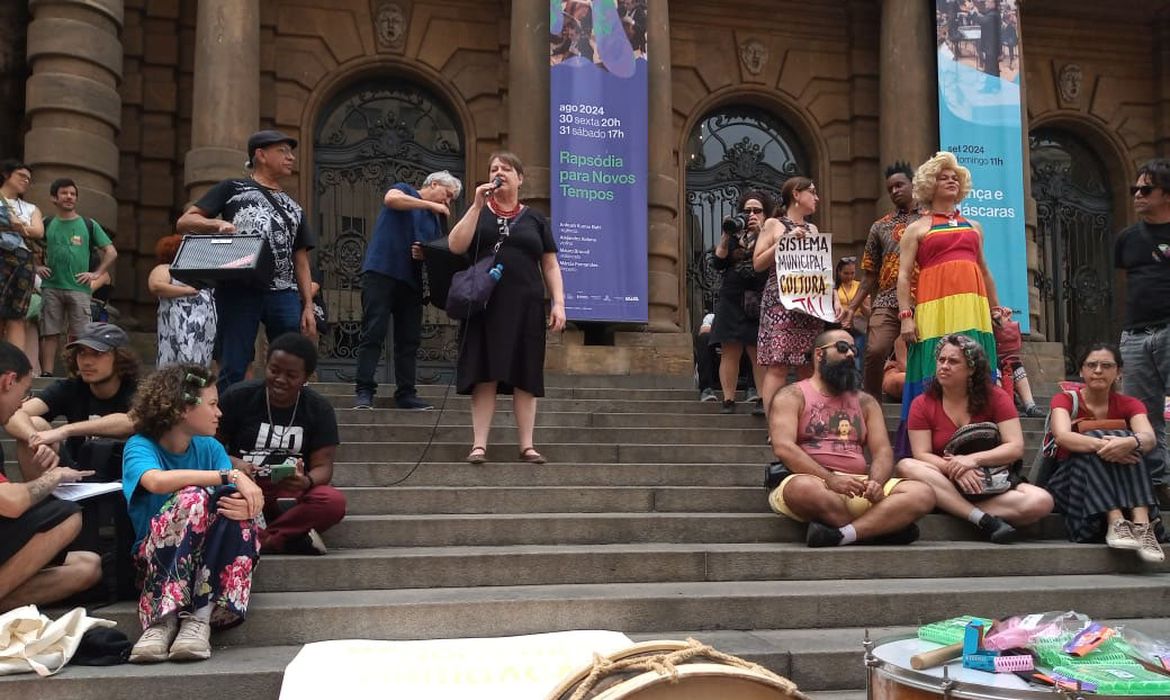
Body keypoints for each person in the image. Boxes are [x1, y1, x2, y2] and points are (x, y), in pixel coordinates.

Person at [121, 363, 263, 663]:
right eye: (212, 404)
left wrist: (245, 504)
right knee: (194, 495)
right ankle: (162, 619)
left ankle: (199, 618)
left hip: (208, 564)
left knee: (236, 512)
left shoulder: (210, 448)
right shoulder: (139, 445)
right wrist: (230, 477)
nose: (219, 413)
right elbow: (156, 481)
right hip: (154, 561)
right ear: (184, 407)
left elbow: (234, 495)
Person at [447, 152, 566, 465]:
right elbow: (456, 245)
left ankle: (527, 445)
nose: (499, 172)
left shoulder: (536, 218)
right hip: (486, 304)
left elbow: (550, 264)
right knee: (484, 372)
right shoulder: (479, 211)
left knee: (525, 373)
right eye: (493, 169)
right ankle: (479, 445)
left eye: (506, 168)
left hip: (526, 304)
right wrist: (475, 205)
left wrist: (559, 302)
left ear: (520, 178)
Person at [766, 328, 936, 547]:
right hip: (814, 482)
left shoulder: (866, 402)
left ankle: (843, 534)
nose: (849, 355)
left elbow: (883, 451)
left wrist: (876, 482)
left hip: (859, 485)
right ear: (819, 354)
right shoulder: (791, 395)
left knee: (922, 493)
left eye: (853, 350)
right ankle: (881, 530)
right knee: (803, 489)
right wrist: (831, 479)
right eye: (842, 348)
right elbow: (783, 448)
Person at [176, 130, 317, 391]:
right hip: (239, 289)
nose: (291, 158)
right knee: (233, 364)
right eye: (282, 151)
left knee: (291, 361)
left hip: (284, 293)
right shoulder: (232, 189)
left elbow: (301, 260)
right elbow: (185, 221)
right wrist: (216, 223)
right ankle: (226, 424)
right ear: (261, 155)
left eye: (291, 152)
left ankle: (282, 418)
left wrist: (308, 305)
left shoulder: (294, 207)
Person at [897, 334, 1053, 543]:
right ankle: (982, 519)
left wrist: (972, 460)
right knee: (907, 465)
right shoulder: (922, 403)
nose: (944, 366)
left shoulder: (996, 397)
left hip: (989, 480)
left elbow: (1015, 447)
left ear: (971, 368)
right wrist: (955, 468)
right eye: (941, 360)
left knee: (1042, 500)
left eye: (953, 361)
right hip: (945, 479)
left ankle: (953, 507)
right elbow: (921, 454)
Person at [897, 152, 1002, 454]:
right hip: (934, 307)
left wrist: (996, 307)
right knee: (935, 363)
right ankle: (925, 445)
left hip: (973, 307)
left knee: (975, 362)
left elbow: (984, 269)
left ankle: (980, 436)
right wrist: (906, 316)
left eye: (955, 177)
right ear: (930, 185)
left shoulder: (975, 226)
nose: (951, 180)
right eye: (944, 177)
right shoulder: (916, 228)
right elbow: (903, 277)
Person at [218, 332, 346, 555]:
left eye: (291, 375)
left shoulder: (319, 409)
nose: (280, 379)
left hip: (289, 495)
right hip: (244, 488)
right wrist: (233, 462)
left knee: (332, 501)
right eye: (274, 370)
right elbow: (208, 448)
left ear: (306, 377)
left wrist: (306, 481)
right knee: (212, 499)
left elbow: (323, 466)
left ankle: (262, 540)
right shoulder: (238, 397)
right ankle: (288, 538)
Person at [0, 339, 101, 612]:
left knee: (86, 566)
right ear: (8, 382)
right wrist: (53, 477)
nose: (21, 404)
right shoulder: (69, 388)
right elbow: (9, 502)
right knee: (66, 514)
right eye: (23, 393)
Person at [354, 171, 463, 411]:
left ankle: (406, 394)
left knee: (409, 341)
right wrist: (428, 204)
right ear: (433, 184)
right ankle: (364, 392)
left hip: (411, 282)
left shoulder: (435, 220)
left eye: (451, 200)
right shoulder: (404, 190)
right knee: (373, 332)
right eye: (447, 195)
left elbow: (436, 252)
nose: (447, 202)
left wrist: (425, 253)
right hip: (381, 272)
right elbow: (391, 199)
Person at [1046, 344, 1163, 562]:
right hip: (1071, 483)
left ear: (1119, 372)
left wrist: (1129, 442)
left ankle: (1141, 525)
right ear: (1081, 371)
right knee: (1103, 441)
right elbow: (1063, 436)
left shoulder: (1130, 403)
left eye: (1107, 365)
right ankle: (1116, 520)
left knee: (1131, 442)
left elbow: (1148, 438)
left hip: (1117, 483)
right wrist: (1108, 445)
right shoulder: (1064, 400)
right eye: (1091, 365)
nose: (1098, 370)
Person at [4, 322, 138, 481]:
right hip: (74, 472)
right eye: (81, 353)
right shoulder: (70, 387)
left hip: (125, 474)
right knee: (36, 424)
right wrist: (35, 438)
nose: (87, 361)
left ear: (120, 358)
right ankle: (40, 504)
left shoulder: (138, 390)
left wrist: (64, 430)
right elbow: (14, 414)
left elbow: (132, 421)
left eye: (97, 354)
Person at [1114, 158, 1170, 507]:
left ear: (1167, 195)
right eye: (1135, 188)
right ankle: (1158, 484)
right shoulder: (1127, 239)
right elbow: (1126, 284)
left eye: (1146, 189)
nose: (1137, 195)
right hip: (1135, 335)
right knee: (1144, 415)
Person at [842, 162, 920, 400]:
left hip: (927, 297)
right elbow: (868, 275)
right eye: (890, 188)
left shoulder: (932, 220)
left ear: (913, 184)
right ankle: (871, 405)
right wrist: (852, 307)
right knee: (875, 351)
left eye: (899, 185)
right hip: (887, 299)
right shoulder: (880, 226)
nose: (895, 191)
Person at [753, 177, 828, 417]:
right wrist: (784, 242)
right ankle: (776, 426)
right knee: (779, 365)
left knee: (808, 363)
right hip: (780, 302)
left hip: (810, 302)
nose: (816, 198)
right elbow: (757, 263)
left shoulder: (813, 229)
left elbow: (821, 268)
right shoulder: (774, 224)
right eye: (812, 192)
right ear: (797, 194)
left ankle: (806, 422)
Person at [38, 178, 117, 376]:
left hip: (79, 288)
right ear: (54, 198)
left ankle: (76, 375)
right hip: (51, 286)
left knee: (81, 335)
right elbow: (30, 246)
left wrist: (96, 273)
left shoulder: (88, 224)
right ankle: (47, 373)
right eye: (64, 193)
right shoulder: (46, 223)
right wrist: (36, 266)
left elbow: (111, 252)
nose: (69, 197)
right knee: (50, 332)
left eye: (73, 194)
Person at [710, 191, 770, 415]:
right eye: (747, 210)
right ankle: (728, 399)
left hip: (759, 296)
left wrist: (761, 232)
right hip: (732, 297)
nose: (751, 214)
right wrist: (726, 234)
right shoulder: (735, 235)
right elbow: (718, 262)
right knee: (730, 348)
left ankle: (762, 399)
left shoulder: (770, 233)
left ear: (765, 213)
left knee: (757, 350)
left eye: (757, 210)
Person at [148, 234, 217, 367]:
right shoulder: (166, 269)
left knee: (198, 365)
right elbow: (156, 286)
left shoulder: (202, 272)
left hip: (202, 329)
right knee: (173, 364)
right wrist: (186, 291)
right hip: (177, 324)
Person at [0, 160, 45, 357]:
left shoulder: (30, 208)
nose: (26, 181)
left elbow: (38, 231)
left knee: (17, 314)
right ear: (6, 175)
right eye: (21, 176)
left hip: (22, 259)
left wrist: (17, 227)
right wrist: (15, 225)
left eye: (28, 179)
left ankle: (14, 366)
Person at [990, 307, 1043, 417]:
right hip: (989, 357)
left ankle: (1030, 405)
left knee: (1016, 365)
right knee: (995, 370)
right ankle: (1005, 406)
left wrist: (1000, 316)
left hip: (1001, 356)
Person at [835, 256, 867, 370]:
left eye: (852, 273)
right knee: (840, 357)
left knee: (857, 356)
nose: (849, 276)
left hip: (858, 326)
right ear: (839, 272)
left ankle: (857, 383)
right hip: (840, 326)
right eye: (846, 273)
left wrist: (861, 302)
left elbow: (868, 312)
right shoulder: (834, 288)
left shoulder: (860, 286)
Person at [694, 311, 719, 402]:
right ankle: (706, 389)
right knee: (704, 338)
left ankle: (752, 388)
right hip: (717, 364)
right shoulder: (711, 317)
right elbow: (704, 331)